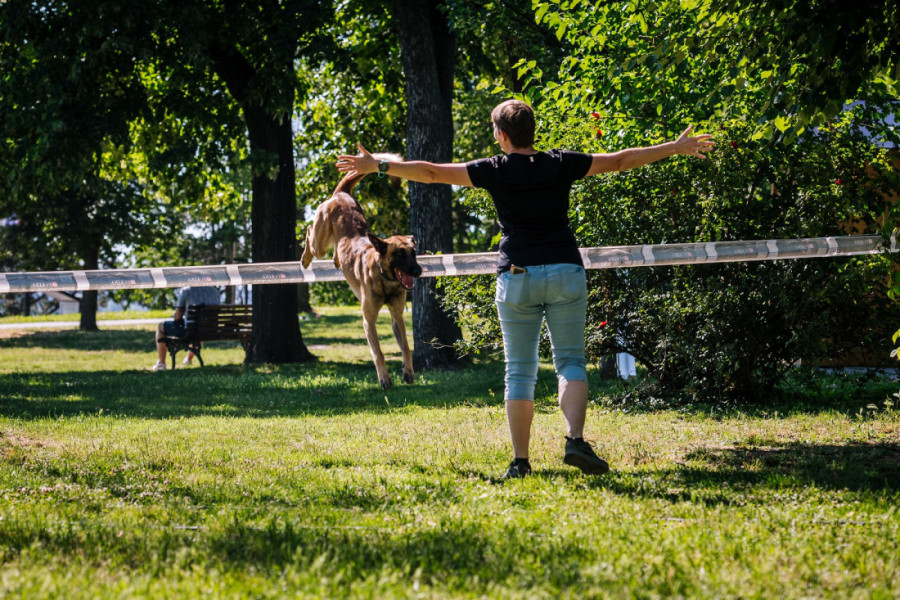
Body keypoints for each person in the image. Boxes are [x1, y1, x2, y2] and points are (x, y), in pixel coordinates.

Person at [336, 99, 714, 478]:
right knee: (570, 361)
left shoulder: (495, 169)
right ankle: (575, 440)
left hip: (517, 275)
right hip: (566, 269)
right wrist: (674, 147)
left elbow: (432, 173)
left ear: (502, 135)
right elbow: (618, 160)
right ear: (532, 130)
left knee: (519, 371)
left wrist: (379, 166)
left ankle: (521, 463)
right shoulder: (560, 162)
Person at [151, 285, 221, 371]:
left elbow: (178, 316)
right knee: (198, 330)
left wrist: (178, 317)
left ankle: (161, 363)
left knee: (161, 326)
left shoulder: (186, 290)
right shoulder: (215, 292)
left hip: (191, 330)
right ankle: (188, 360)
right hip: (209, 330)